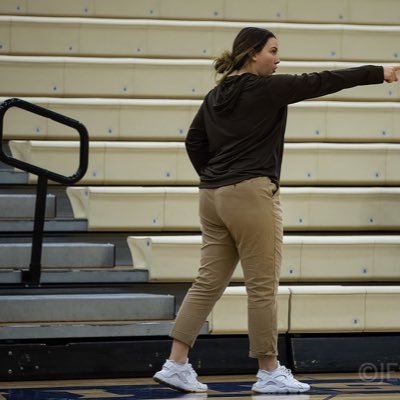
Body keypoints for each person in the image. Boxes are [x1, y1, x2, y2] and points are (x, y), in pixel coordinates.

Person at [153, 27, 400, 394]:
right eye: (273, 51)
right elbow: (322, 81)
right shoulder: (267, 88)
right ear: (253, 53)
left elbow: (194, 141)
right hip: (251, 194)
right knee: (262, 285)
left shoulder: (215, 94)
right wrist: (378, 72)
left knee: (206, 282)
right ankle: (269, 371)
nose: (278, 58)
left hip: (212, 196)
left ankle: (175, 363)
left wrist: (215, 176)